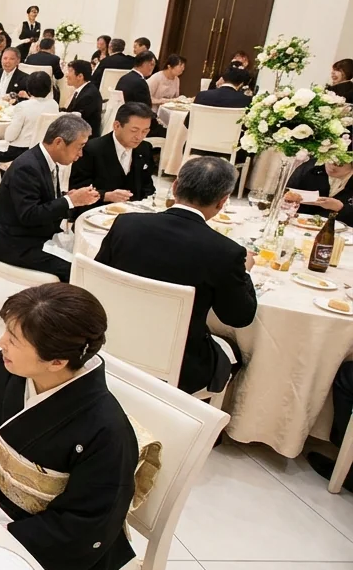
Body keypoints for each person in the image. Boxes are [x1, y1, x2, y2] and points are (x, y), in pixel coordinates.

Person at [0, 284, 139, 570]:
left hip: (43, 539)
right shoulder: (9, 367)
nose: (0, 343)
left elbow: (85, 525)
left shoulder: (107, 431)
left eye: (13, 340)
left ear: (57, 362)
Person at [95, 156, 255, 394]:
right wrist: (246, 271)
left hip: (111, 340)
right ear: (222, 201)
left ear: (175, 186)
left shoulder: (126, 224)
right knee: (237, 351)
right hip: (179, 365)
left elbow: (100, 279)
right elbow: (239, 317)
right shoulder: (226, 252)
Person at [0, 114, 97, 282]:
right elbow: (29, 215)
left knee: (89, 256)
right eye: (79, 146)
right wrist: (70, 201)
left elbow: (41, 200)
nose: (81, 154)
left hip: (33, 235)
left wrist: (68, 198)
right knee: (79, 271)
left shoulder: (45, 160)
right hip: (16, 244)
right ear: (59, 142)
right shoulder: (27, 167)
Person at [67, 102, 156, 219]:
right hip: (97, 214)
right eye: (134, 130)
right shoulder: (92, 149)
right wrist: (106, 195)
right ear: (117, 126)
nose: (139, 137)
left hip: (133, 216)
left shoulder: (145, 148)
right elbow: (77, 190)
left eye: (145, 131)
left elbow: (147, 185)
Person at [0, 72, 58, 164]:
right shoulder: (54, 105)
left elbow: (10, 137)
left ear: (29, 89)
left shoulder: (23, 106)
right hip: (42, 151)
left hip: (19, 153)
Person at [283, 157, 353, 226]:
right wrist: (290, 198)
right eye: (329, 161)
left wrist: (340, 208)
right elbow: (287, 194)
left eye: (339, 165)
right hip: (302, 224)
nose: (331, 167)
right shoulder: (313, 171)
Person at [64, 59, 103, 137]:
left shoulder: (88, 96)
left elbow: (75, 121)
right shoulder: (85, 89)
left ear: (80, 76)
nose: (66, 75)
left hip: (84, 137)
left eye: (70, 71)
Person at [117, 50, 155, 115]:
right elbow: (146, 108)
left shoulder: (124, 78)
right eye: (152, 64)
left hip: (121, 114)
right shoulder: (140, 82)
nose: (153, 67)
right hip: (133, 116)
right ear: (145, 64)